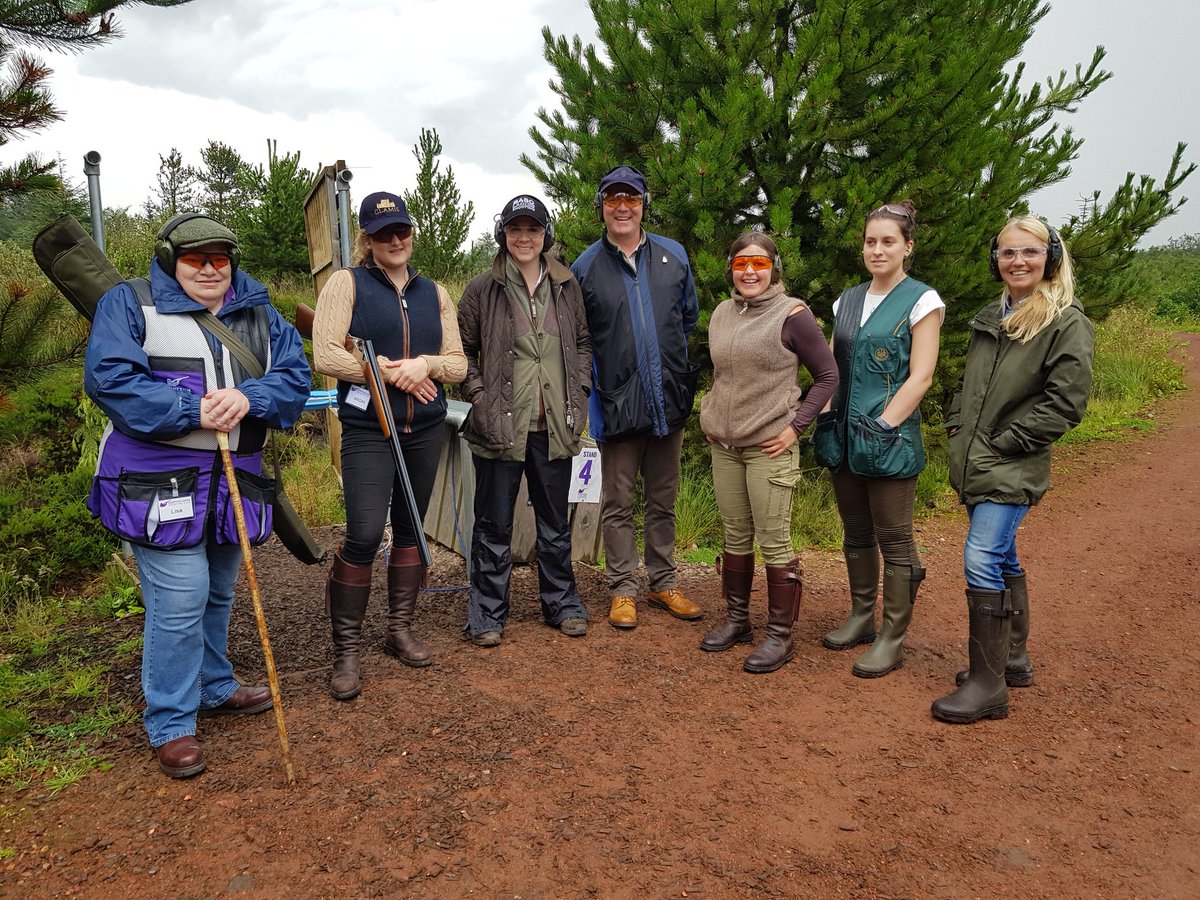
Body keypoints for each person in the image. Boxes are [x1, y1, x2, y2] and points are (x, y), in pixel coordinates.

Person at [84, 213, 311, 778]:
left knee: (218, 591)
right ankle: (171, 722)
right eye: (195, 259)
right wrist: (193, 409)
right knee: (181, 598)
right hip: (157, 484)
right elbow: (110, 380)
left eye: (219, 258)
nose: (210, 269)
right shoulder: (129, 305)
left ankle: (214, 684)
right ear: (170, 260)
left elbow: (295, 377)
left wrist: (250, 396)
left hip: (235, 480)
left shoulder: (258, 311)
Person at [932, 216, 1093, 724]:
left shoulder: (1065, 322)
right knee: (1000, 557)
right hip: (979, 459)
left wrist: (1005, 444)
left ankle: (988, 684)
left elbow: (1066, 403)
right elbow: (968, 384)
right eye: (1007, 252)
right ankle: (1013, 659)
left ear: (1052, 257)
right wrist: (957, 424)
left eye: (1030, 251)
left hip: (1011, 464)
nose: (1018, 261)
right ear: (995, 260)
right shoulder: (992, 316)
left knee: (980, 557)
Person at [312, 191, 466, 700]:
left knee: (409, 528)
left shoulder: (435, 292)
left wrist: (426, 367)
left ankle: (399, 629)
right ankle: (347, 650)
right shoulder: (346, 283)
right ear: (367, 240)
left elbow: (459, 364)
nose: (395, 240)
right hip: (366, 429)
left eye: (401, 231)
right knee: (361, 532)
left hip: (424, 428)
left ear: (411, 233)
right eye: (382, 234)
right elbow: (327, 353)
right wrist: (386, 373)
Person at [812, 200, 943, 678]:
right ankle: (862, 616)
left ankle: (893, 634)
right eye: (871, 241)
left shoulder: (922, 300)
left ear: (907, 247)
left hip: (889, 440)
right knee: (856, 531)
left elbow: (921, 376)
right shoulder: (845, 301)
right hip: (844, 439)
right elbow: (830, 369)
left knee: (894, 537)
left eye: (888, 241)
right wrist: (825, 418)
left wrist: (883, 425)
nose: (877, 249)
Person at [699, 233, 839, 672]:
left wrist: (796, 428)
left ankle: (780, 636)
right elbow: (725, 375)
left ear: (774, 268)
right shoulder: (723, 313)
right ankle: (737, 619)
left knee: (773, 538)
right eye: (741, 263)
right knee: (734, 534)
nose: (749, 272)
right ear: (731, 268)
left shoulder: (792, 315)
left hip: (768, 446)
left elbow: (828, 376)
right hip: (725, 445)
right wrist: (713, 417)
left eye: (759, 263)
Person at [457, 195, 592, 646]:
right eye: (516, 229)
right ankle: (487, 614)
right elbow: (462, 354)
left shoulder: (567, 286)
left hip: (555, 425)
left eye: (533, 229)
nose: (524, 238)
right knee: (493, 525)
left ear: (545, 235)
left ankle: (562, 603)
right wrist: (478, 398)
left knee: (555, 524)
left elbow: (584, 343)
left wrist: (581, 391)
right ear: (503, 235)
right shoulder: (482, 289)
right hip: (499, 426)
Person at [571, 164, 701, 629]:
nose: (622, 207)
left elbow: (686, 320)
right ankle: (623, 588)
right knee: (618, 501)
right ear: (601, 207)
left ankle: (663, 581)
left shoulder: (673, 256)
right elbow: (580, 339)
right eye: (612, 199)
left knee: (664, 497)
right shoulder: (584, 268)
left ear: (644, 203)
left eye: (631, 198)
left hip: (668, 400)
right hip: (615, 405)